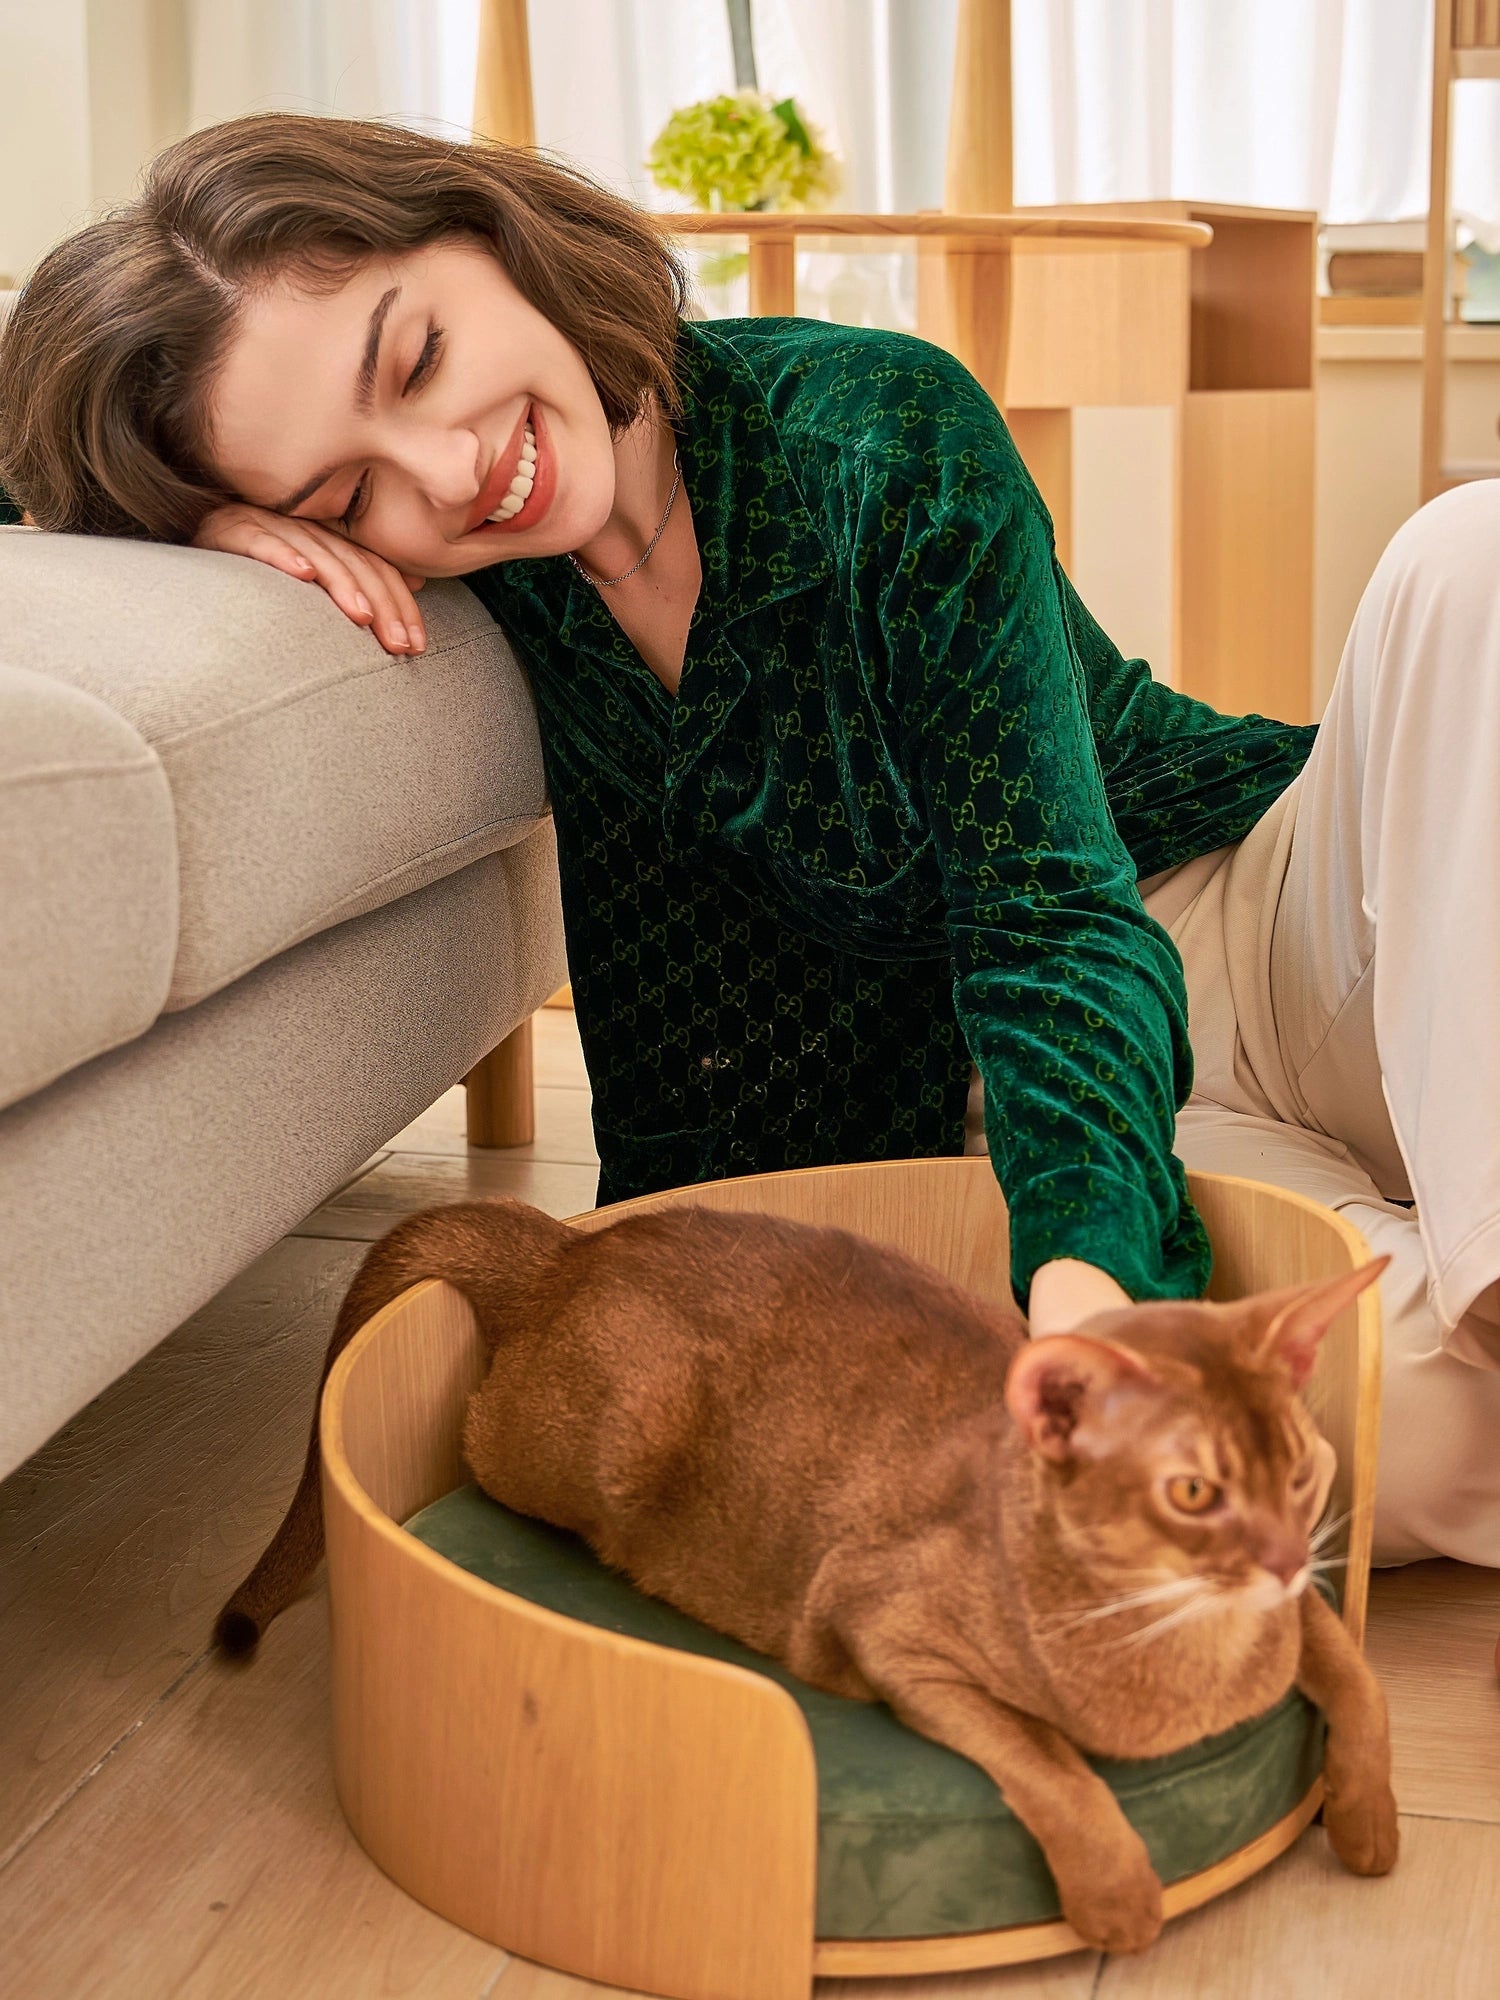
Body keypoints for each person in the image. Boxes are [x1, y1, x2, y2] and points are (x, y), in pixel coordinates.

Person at [1, 112, 1496, 1571]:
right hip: (1025, 1112)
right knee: (1399, 1434)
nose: (448, 472)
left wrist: (1089, 1299)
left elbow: (1051, 924)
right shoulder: (491, 585)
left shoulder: (874, 436)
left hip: (1249, 918)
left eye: (421, 359)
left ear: (482, 232)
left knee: (1468, 559)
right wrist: (198, 519)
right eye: (347, 491)